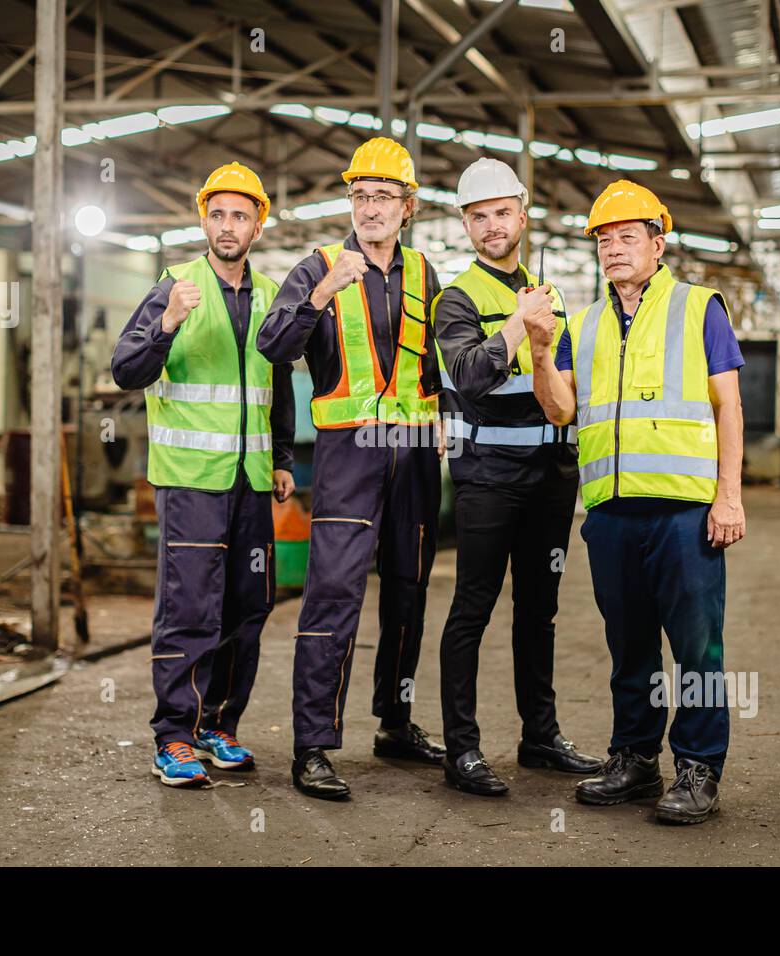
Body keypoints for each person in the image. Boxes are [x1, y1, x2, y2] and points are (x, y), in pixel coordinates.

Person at [527, 179, 746, 824]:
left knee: (698, 647)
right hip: (612, 514)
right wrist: (540, 348)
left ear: (658, 242)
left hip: (684, 511)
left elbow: (727, 405)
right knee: (629, 646)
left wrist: (727, 498)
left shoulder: (699, 307)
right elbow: (561, 408)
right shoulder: (585, 322)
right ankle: (635, 760)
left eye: (627, 236)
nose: (613, 249)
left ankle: (699, 767)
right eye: (604, 238)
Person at [257, 137, 445, 800]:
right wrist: (318, 297)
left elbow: (435, 365)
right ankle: (312, 745)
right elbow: (272, 345)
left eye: (384, 196)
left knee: (408, 593)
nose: (370, 208)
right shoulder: (317, 266)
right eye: (360, 195)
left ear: (408, 206)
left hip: (416, 455)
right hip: (347, 455)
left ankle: (395, 722)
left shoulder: (426, 274)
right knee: (335, 596)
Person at [111, 161, 295, 787]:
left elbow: (279, 380)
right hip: (191, 479)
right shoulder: (174, 285)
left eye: (240, 215)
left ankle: (219, 725)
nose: (227, 225)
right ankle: (174, 736)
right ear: (203, 220)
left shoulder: (272, 296)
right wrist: (165, 324)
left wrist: (285, 461)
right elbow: (125, 369)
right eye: (217, 214)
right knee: (191, 605)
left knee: (247, 605)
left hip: (250, 480)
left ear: (257, 225)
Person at [432, 157, 602, 796]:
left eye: (501, 213)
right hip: (487, 478)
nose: (491, 226)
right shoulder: (457, 298)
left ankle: (540, 737)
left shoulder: (549, 293)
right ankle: (463, 751)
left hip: (551, 478)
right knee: (472, 608)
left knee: (540, 610)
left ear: (522, 216)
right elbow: (472, 375)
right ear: (466, 226)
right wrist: (518, 326)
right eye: (478, 217)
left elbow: (558, 383)